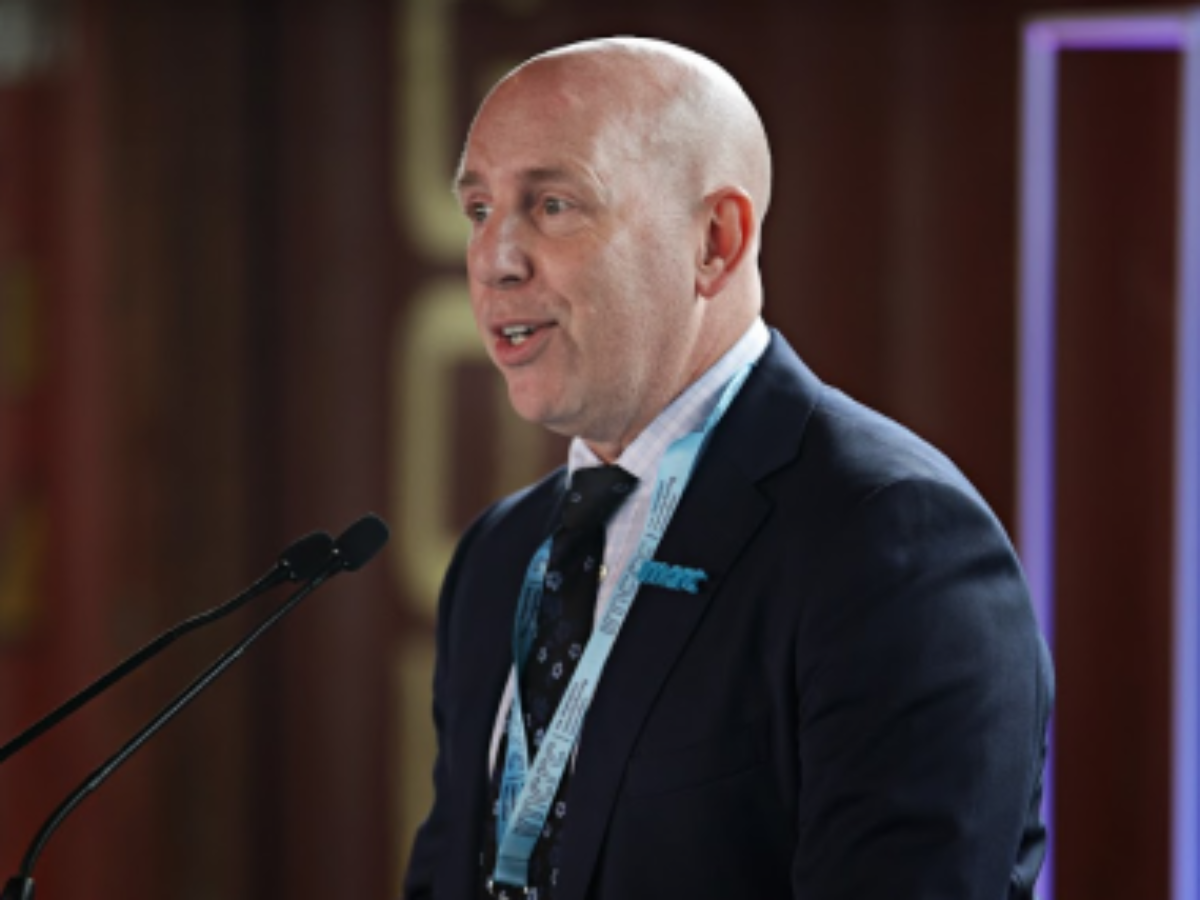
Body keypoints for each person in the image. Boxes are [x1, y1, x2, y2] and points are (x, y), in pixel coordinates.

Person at [404, 36, 1052, 900]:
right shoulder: (500, 553)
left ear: (716, 240)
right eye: (480, 209)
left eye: (554, 204)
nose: (495, 259)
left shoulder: (892, 540)